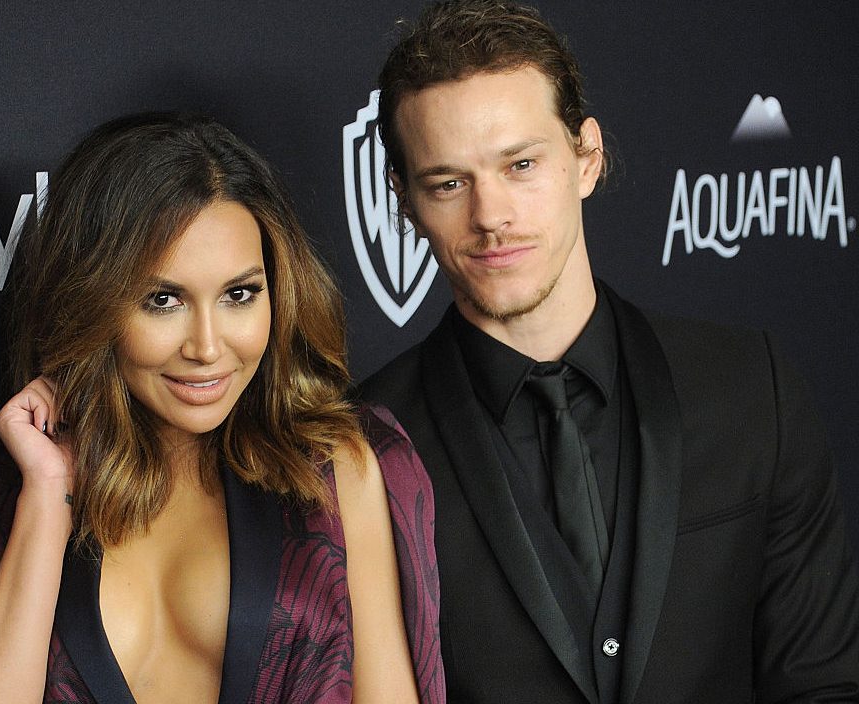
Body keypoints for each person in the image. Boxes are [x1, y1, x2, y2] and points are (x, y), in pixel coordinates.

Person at [359, 1, 859, 702]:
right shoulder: (364, 447)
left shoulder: (750, 389)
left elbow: (822, 683)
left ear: (587, 157)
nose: (491, 215)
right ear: (406, 203)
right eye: (448, 183)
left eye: (522, 164)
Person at [0, 113, 445, 703]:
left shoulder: (341, 469)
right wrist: (47, 494)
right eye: (162, 300)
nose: (208, 348)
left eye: (239, 295)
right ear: (93, 303)